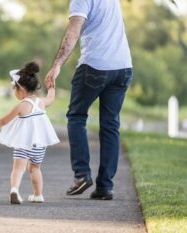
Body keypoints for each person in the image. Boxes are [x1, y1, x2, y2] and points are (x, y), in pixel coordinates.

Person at [44, 0, 133, 200]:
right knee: (110, 125)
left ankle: (81, 175)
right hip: (123, 67)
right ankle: (105, 187)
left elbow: (73, 32)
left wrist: (57, 64)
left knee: (76, 116)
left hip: (95, 66)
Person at [0, 62, 60, 204]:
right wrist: (52, 86)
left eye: (14, 88)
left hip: (23, 143)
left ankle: (15, 189)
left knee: (18, 168)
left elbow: (3, 121)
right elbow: (51, 98)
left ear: (21, 89)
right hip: (39, 144)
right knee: (35, 168)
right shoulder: (41, 102)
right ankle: (38, 195)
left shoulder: (22, 106)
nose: (14, 91)